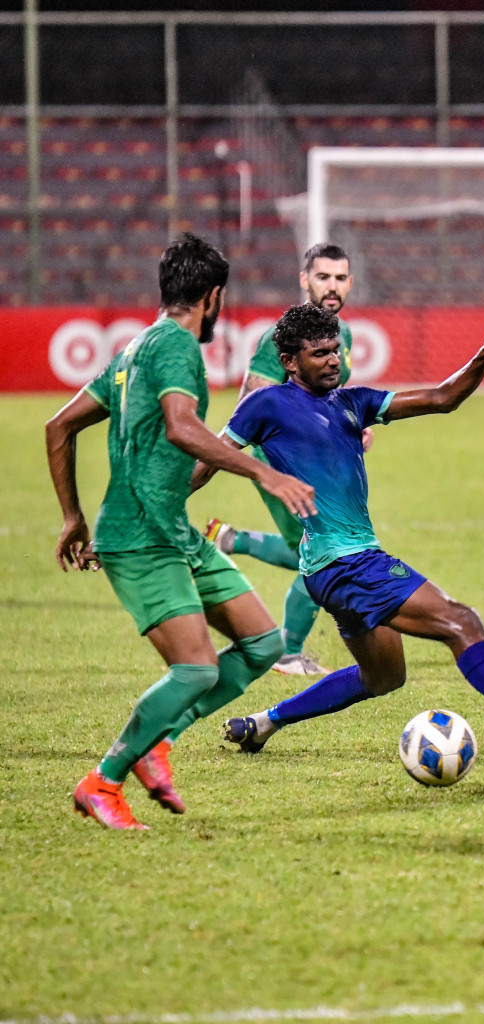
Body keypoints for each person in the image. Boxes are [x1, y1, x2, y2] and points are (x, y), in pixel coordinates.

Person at [215, 303, 484, 766]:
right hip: (347, 563)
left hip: (334, 568)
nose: (332, 360)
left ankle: (264, 723)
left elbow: (443, 397)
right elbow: (209, 457)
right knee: (461, 623)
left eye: (336, 351)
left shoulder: (351, 401)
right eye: (319, 353)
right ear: (290, 361)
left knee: (383, 678)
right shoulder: (267, 404)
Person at [46, 234, 316, 830]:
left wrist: (73, 516)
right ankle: (102, 781)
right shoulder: (177, 349)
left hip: (174, 531)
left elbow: (59, 427)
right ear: (213, 297)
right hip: (142, 540)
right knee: (195, 670)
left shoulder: (133, 349)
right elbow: (181, 427)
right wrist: (263, 473)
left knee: (264, 644)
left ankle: (157, 743)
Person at [205, 242, 362, 676]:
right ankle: (288, 653)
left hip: (322, 465)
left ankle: (233, 541)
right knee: (324, 549)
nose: (331, 286)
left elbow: (326, 396)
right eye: (323, 277)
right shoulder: (279, 337)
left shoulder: (340, 333)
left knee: (306, 547)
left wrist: (351, 424)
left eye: (339, 278)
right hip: (281, 466)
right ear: (304, 279)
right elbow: (251, 404)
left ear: (349, 283)